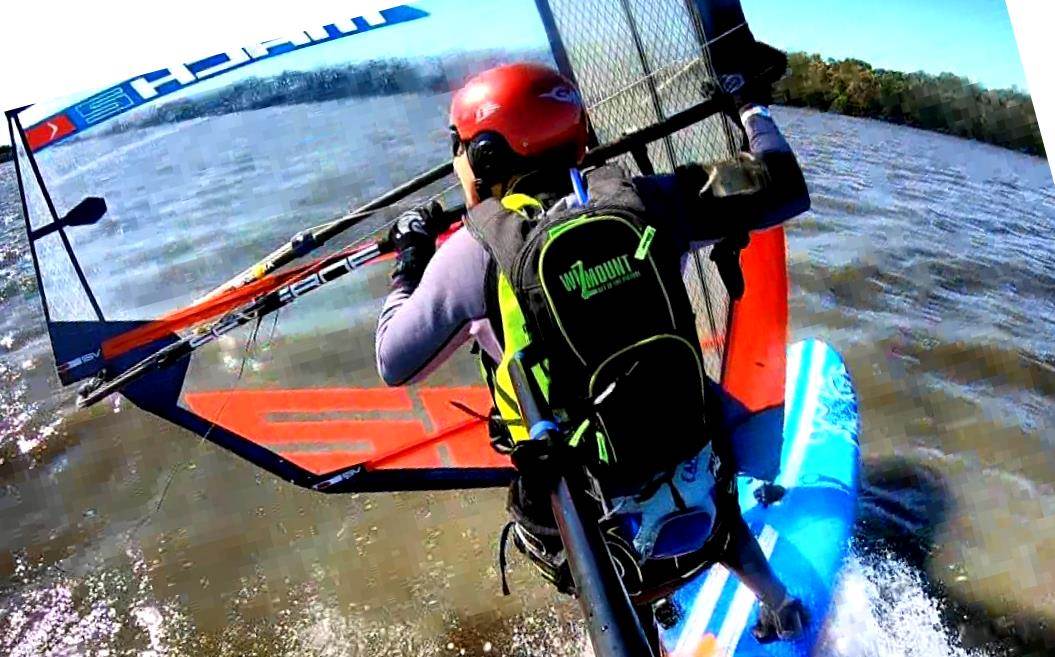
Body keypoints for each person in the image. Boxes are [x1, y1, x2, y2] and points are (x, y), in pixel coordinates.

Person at [375, 46, 809, 643]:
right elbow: (784, 185)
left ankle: (646, 616)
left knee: (569, 481)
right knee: (690, 431)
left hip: (583, 529)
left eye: (460, 148)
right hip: (699, 474)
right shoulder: (653, 200)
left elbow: (392, 361)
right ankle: (778, 601)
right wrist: (750, 103)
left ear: (485, 156)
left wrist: (409, 262)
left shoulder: (473, 253)